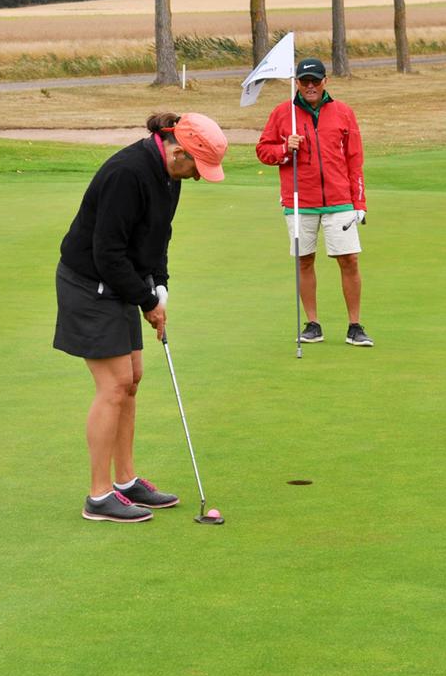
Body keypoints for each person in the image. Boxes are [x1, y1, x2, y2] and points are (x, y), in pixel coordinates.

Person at [54, 112, 228, 523]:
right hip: (89, 285)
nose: (199, 177)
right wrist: (146, 302)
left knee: (131, 380)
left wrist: (160, 287)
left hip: (120, 282)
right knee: (113, 386)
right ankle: (98, 497)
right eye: (197, 168)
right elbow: (107, 252)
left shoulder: (171, 175)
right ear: (179, 150)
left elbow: (157, 235)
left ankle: (125, 481)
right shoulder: (126, 173)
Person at [256, 57, 373, 347]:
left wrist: (359, 202)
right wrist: (286, 147)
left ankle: (355, 326)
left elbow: (354, 160)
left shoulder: (343, 112)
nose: (310, 86)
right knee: (304, 260)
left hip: (339, 198)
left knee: (349, 260)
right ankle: (313, 324)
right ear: (296, 82)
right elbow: (263, 151)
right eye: (304, 81)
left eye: (315, 81)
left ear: (325, 82)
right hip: (300, 200)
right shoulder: (283, 113)